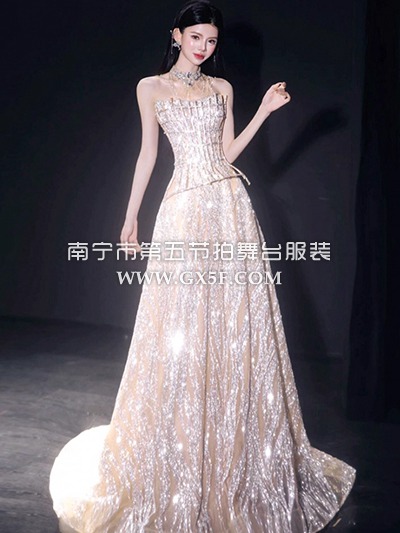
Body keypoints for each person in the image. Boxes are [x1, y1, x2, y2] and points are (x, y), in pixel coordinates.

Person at [49, 1, 356, 531]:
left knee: (236, 326)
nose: (203, 48)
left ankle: (232, 450)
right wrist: (130, 216)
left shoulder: (223, 89)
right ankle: (179, 450)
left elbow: (226, 154)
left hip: (230, 208)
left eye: (211, 41)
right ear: (177, 36)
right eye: (195, 37)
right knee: (178, 327)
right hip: (183, 211)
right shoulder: (150, 88)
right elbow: (148, 155)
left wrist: (264, 110)